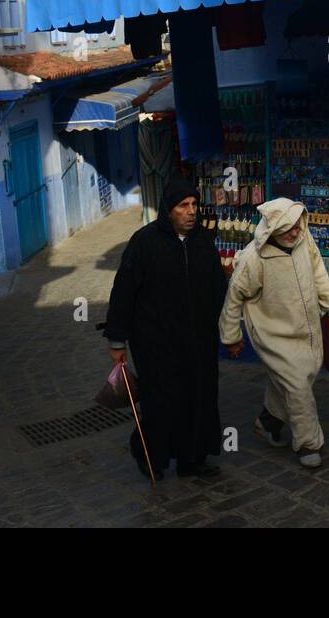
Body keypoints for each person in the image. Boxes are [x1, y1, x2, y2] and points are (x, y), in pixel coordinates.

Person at [104, 178, 227, 480]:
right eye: (183, 206)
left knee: (199, 396)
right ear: (168, 210)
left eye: (195, 205)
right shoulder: (145, 242)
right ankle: (149, 455)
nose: (191, 212)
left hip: (198, 341)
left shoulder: (203, 242)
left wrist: (226, 327)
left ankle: (192, 459)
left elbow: (218, 290)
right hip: (156, 342)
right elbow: (124, 291)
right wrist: (117, 339)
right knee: (161, 400)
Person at [219, 197, 329, 470]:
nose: (296, 232)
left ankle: (269, 421)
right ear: (273, 228)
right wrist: (231, 337)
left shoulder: (304, 240)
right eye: (289, 228)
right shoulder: (253, 259)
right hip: (273, 334)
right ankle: (309, 444)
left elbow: (318, 268)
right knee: (298, 385)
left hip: (306, 326)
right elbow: (233, 299)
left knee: (297, 377)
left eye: (298, 225)